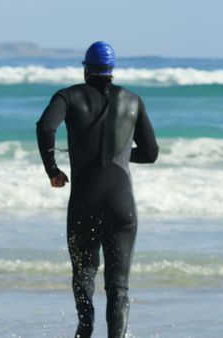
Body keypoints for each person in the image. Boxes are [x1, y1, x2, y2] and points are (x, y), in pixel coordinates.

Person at [35, 41, 158, 338]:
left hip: (84, 202)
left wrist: (53, 170)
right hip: (121, 205)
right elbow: (151, 152)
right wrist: (124, 154)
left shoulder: (68, 96)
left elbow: (45, 127)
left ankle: (85, 325)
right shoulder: (132, 100)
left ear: (86, 68)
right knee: (118, 287)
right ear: (112, 70)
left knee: (84, 272)